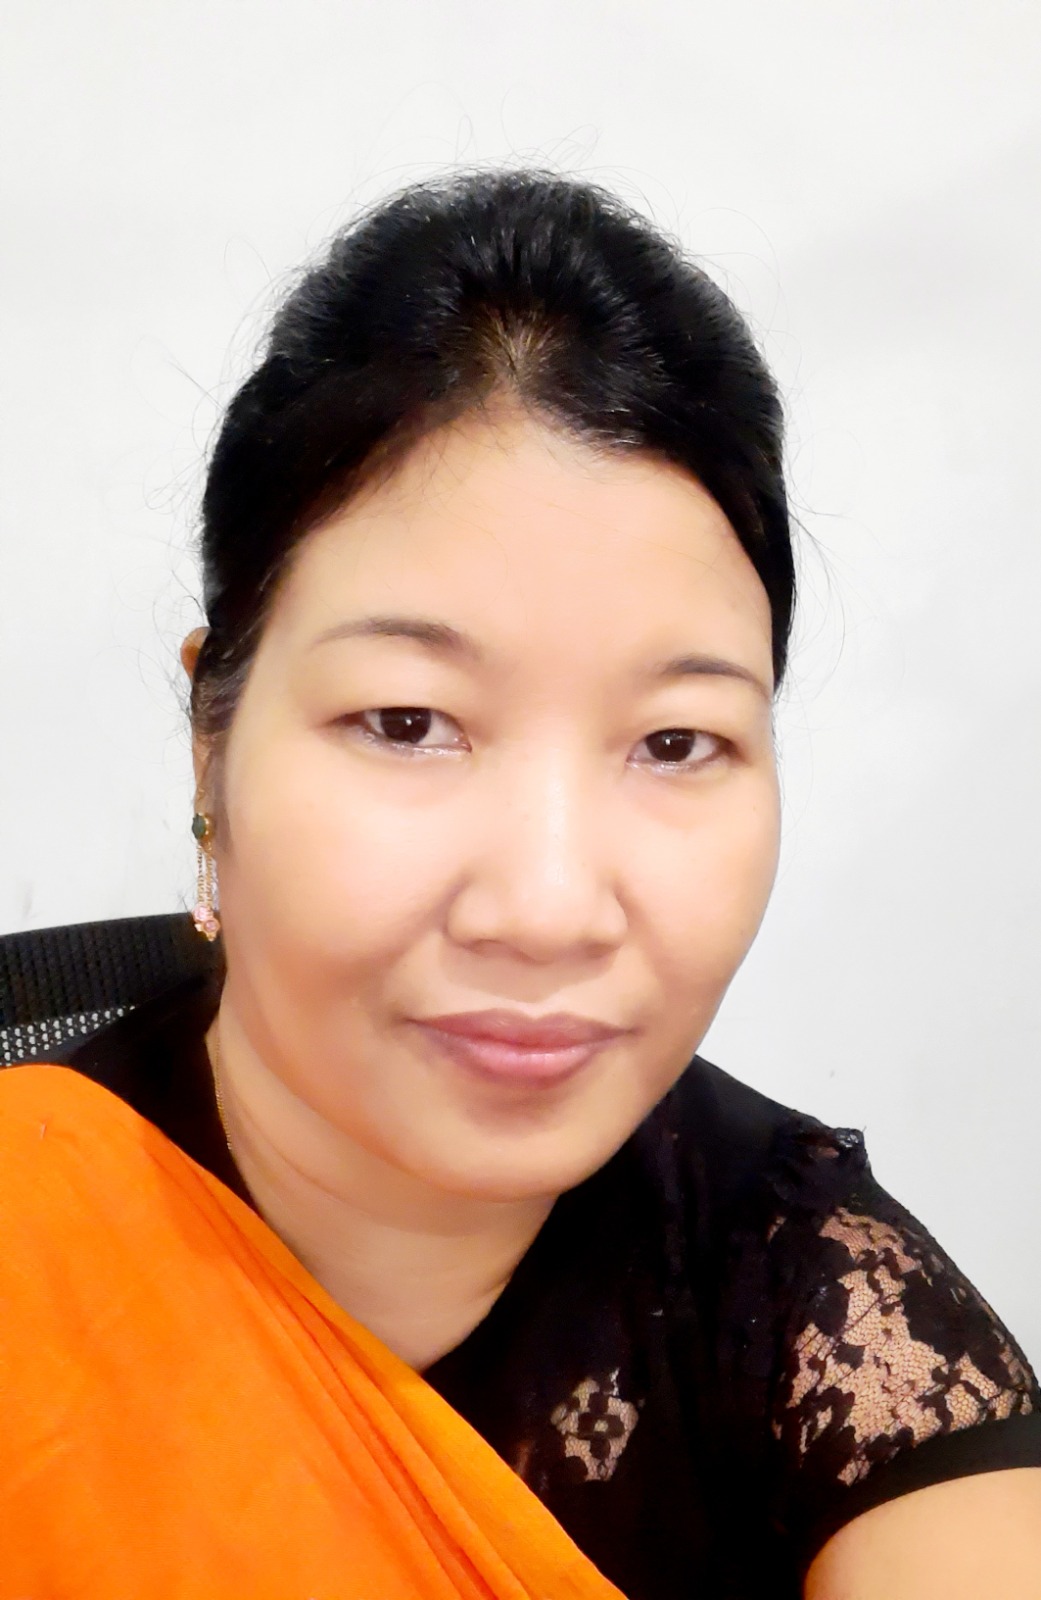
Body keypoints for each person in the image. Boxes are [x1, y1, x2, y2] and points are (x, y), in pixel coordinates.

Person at [1, 169, 1039, 1600]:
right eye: (408, 722)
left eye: (675, 742)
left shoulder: (827, 1319)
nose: (547, 909)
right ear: (212, 739)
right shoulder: (30, 1214)